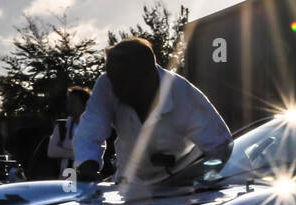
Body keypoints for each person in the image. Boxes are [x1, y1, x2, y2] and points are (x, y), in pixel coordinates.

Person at [72, 37, 232, 185]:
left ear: (147, 75)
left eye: (120, 81)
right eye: (111, 79)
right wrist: (88, 167)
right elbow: (90, 130)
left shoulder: (183, 94)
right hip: (130, 184)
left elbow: (220, 146)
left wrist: (202, 179)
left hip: (183, 183)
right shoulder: (107, 83)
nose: (113, 88)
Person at [47, 85, 91, 177]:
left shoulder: (93, 127)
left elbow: (95, 151)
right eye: (68, 102)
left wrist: (64, 150)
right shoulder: (62, 126)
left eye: (73, 102)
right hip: (67, 177)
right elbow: (52, 151)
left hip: (88, 177)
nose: (69, 105)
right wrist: (76, 153)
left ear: (84, 104)